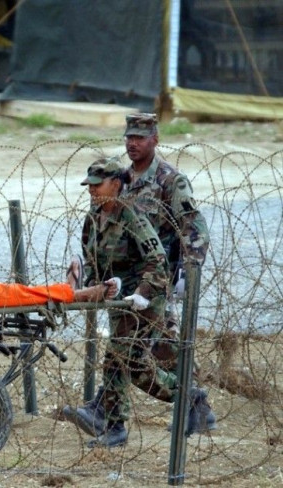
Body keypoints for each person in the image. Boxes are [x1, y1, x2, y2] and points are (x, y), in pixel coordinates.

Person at [62, 113, 217, 435]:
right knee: (150, 348)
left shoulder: (168, 180)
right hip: (123, 282)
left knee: (138, 350)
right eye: (128, 137)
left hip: (154, 277)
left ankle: (184, 402)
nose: (132, 143)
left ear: (155, 139)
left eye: (140, 138)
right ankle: (189, 404)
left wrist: (190, 267)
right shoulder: (118, 178)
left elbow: (192, 222)